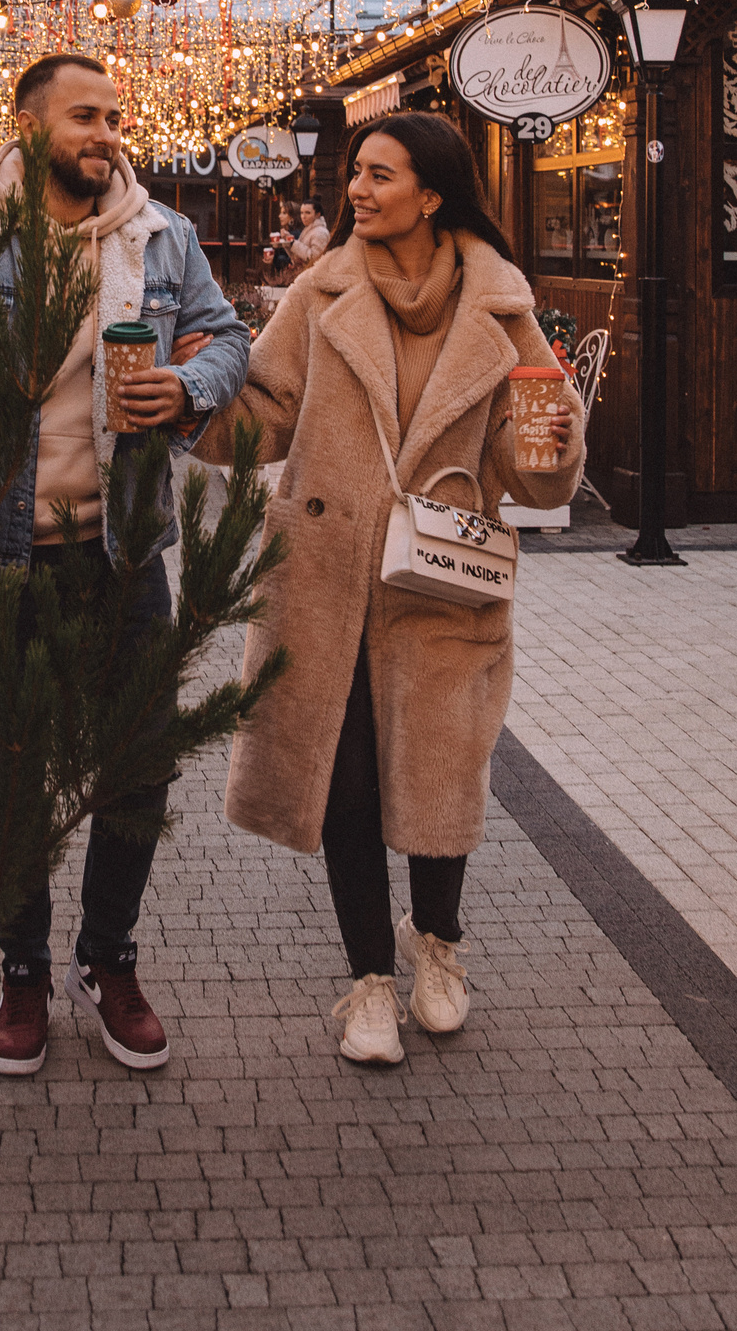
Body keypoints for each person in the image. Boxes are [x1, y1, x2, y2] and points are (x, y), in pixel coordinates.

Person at [193, 111, 582, 1068]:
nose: (356, 192)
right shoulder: (320, 295)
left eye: (378, 176)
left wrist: (550, 438)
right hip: (328, 580)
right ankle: (368, 979)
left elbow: (530, 470)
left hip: (445, 584)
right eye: (356, 175)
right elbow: (267, 415)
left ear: (432, 193)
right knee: (348, 785)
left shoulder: (500, 308)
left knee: (442, 770)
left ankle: (437, 951)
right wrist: (189, 401)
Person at [0, 51, 250, 1080]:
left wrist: (189, 385)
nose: (106, 131)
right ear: (27, 126)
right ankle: (22, 968)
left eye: (114, 114)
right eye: (83, 115)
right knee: (10, 770)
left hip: (123, 553)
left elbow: (227, 333)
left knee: (140, 764)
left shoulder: (162, 238)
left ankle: (107, 957)